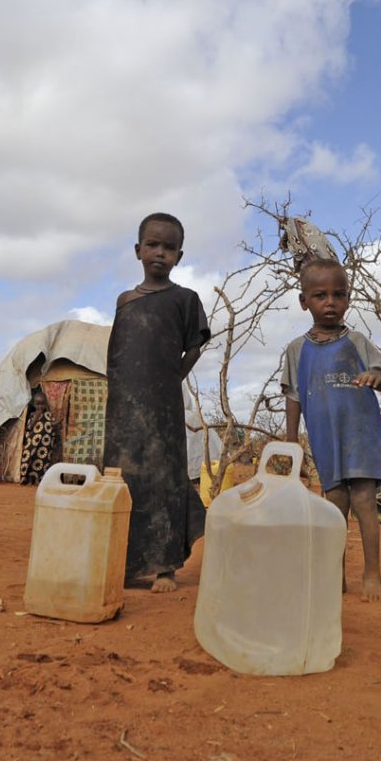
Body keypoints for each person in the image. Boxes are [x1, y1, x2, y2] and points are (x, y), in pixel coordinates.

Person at [100, 213, 211, 593]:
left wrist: (172, 378)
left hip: (163, 405)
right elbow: (117, 354)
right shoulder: (125, 301)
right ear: (138, 250)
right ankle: (126, 564)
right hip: (123, 408)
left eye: (168, 247)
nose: (159, 253)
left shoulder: (184, 299)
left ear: (179, 255)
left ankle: (165, 566)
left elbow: (194, 346)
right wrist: (119, 393)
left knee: (165, 476)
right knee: (121, 479)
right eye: (152, 245)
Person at [281, 259, 381, 603]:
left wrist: (376, 378)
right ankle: (336, 575)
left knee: (364, 501)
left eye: (338, 294)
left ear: (348, 298)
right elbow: (294, 397)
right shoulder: (297, 350)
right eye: (320, 295)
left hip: (361, 437)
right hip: (326, 440)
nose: (330, 302)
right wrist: (291, 444)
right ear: (304, 301)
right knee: (334, 507)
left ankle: (372, 574)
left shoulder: (356, 341)